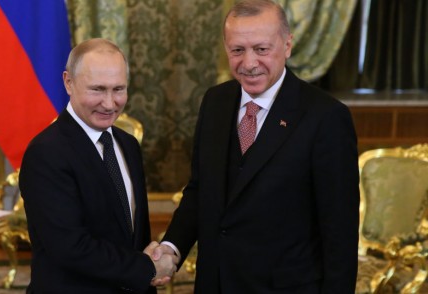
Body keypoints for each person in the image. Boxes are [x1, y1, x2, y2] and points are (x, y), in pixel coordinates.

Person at [154, 0, 360, 293]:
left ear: (287, 45)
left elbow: (339, 233)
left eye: (262, 49)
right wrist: (171, 248)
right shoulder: (215, 101)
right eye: (237, 50)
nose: (249, 63)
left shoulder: (326, 117)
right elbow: (201, 190)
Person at [19, 38, 178, 293]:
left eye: (118, 89)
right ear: (68, 82)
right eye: (97, 89)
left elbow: (133, 232)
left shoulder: (128, 144)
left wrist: (150, 262)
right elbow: (69, 247)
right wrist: (145, 268)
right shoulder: (46, 153)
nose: (109, 103)